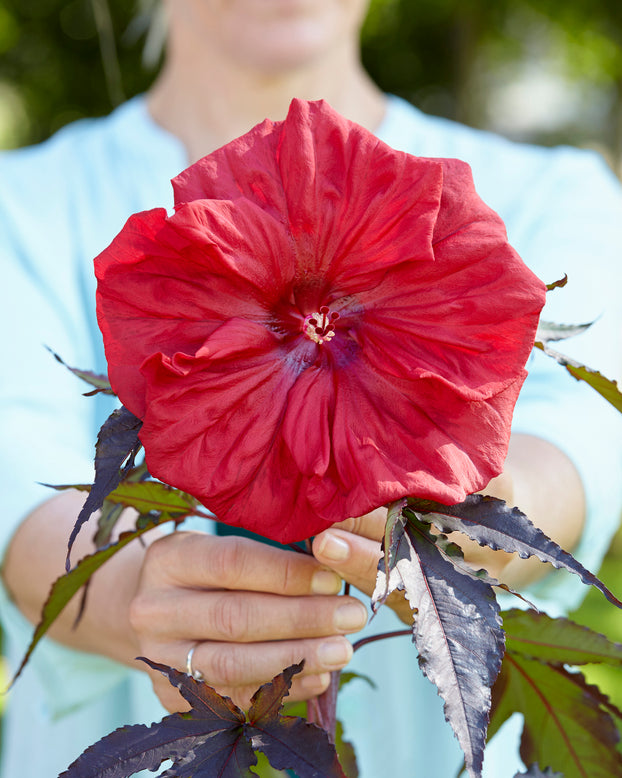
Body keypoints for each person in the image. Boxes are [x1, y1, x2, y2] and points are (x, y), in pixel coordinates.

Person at [0, 1, 621, 776]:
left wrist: (466, 503)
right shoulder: (17, 207)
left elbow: (578, 452)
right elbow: (16, 502)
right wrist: (140, 597)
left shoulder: (558, 192)